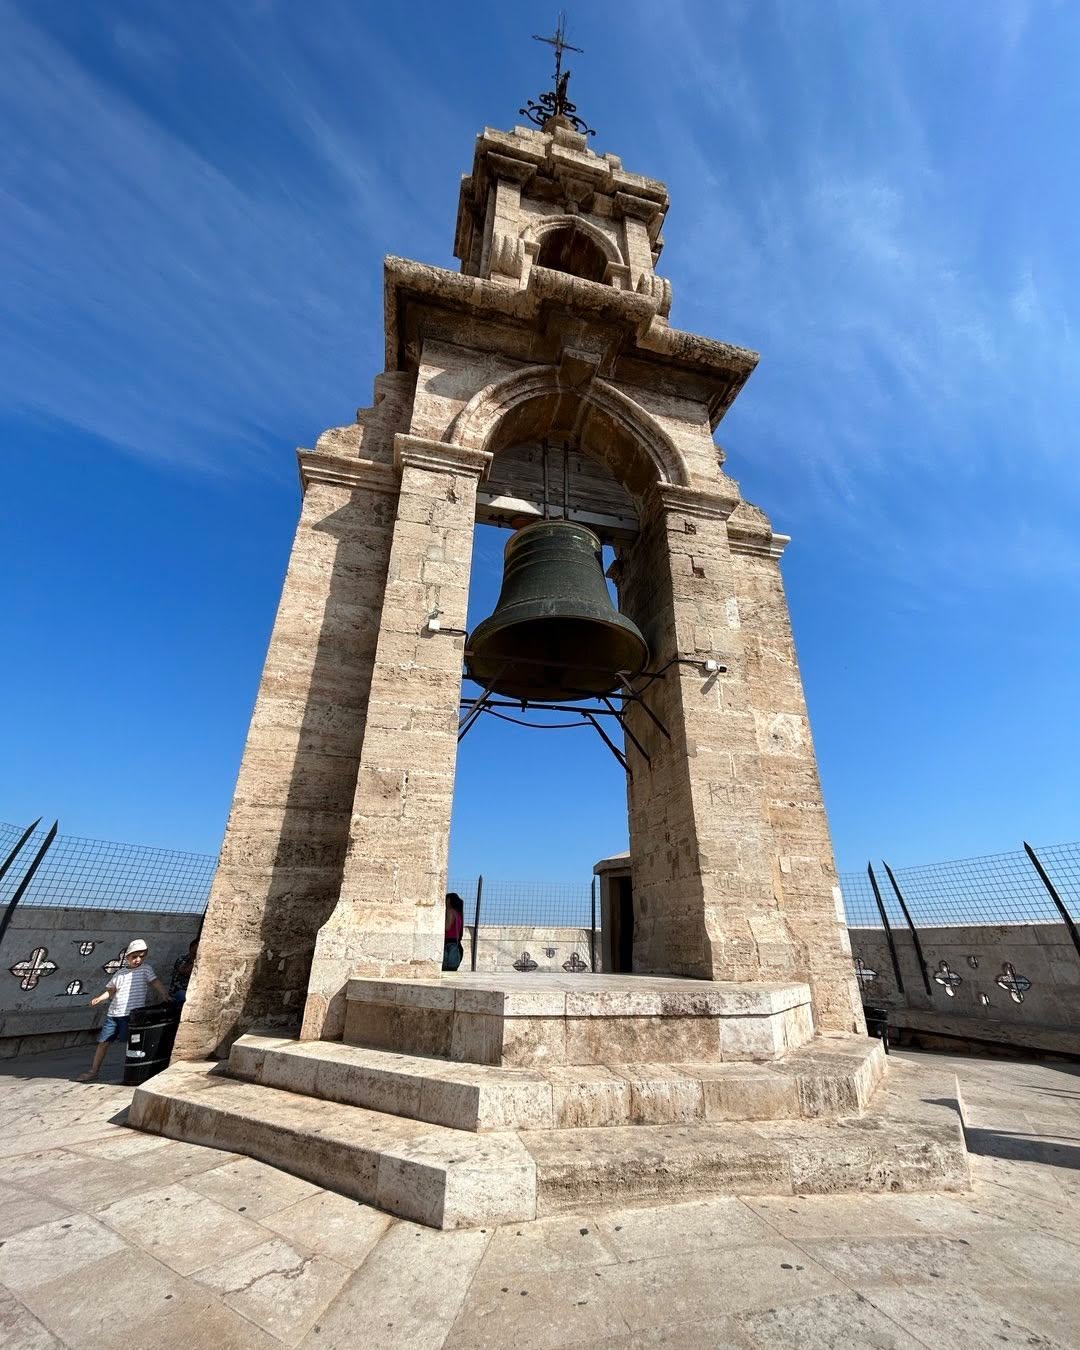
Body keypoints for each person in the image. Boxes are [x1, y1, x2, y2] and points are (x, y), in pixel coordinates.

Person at [78, 939, 170, 1082]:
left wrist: (164, 993)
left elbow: (155, 982)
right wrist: (99, 998)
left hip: (132, 1016)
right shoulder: (120, 974)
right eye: (134, 957)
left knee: (132, 1045)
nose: (138, 960)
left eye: (141, 956)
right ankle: (94, 1071)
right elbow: (110, 991)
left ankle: (134, 1071)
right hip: (114, 1014)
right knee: (104, 1042)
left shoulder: (146, 970)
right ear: (127, 957)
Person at [170, 936, 199, 1003]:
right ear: (190, 948)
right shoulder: (182, 959)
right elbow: (185, 971)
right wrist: (195, 961)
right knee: (183, 995)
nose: (196, 952)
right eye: (195, 949)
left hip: (193, 991)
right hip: (179, 990)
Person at [443, 893, 465, 971]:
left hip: (448, 943)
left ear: (449, 901)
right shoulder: (459, 913)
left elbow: (447, 927)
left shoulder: (450, 911)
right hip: (455, 942)